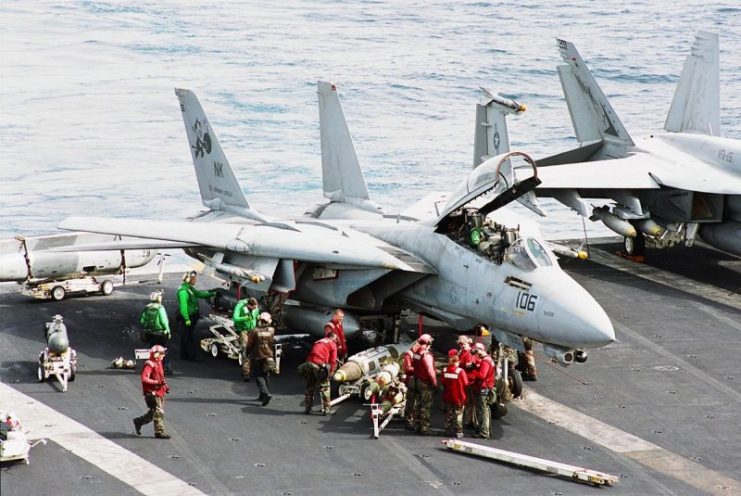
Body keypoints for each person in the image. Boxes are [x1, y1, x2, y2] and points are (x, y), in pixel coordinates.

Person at [176, 271, 216, 361]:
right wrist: (186, 318)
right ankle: (192, 355)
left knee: (186, 335)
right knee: (188, 336)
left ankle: (184, 355)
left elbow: (198, 294)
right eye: (193, 279)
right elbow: (183, 306)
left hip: (191, 316)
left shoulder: (189, 288)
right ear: (188, 279)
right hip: (188, 317)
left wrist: (211, 294)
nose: (195, 280)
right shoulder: (183, 291)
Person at [133, 345, 170, 439]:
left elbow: (161, 377)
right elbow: (144, 378)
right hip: (152, 392)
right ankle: (159, 432)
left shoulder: (159, 363)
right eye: (162, 353)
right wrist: (157, 383)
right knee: (158, 412)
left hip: (159, 391)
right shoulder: (150, 364)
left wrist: (165, 386)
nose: (163, 355)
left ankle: (139, 421)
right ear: (156, 354)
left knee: (153, 412)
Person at [298, 332, 339, 415]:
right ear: (332, 338)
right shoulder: (332, 344)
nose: (336, 341)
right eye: (336, 339)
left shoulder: (319, 342)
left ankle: (308, 408)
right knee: (325, 387)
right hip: (319, 365)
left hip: (309, 364)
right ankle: (326, 410)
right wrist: (331, 372)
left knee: (310, 385)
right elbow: (333, 361)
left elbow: (311, 354)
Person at [245, 312, 275, 406]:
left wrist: (247, 352)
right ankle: (262, 395)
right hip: (269, 355)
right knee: (266, 374)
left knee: (258, 375)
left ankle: (265, 393)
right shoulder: (272, 330)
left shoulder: (254, 331)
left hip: (257, 356)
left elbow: (249, 344)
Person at [139, 290, 172, 375]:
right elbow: (164, 321)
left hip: (150, 333)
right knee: (164, 350)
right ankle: (166, 368)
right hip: (160, 333)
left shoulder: (147, 307)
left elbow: (142, 320)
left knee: (152, 349)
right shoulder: (160, 308)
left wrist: (147, 327)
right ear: (158, 298)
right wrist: (168, 331)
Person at [412, 333, 438, 435]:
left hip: (417, 381)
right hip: (425, 383)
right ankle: (425, 428)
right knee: (425, 406)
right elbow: (430, 371)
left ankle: (417, 425)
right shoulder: (426, 355)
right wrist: (435, 383)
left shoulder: (416, 353)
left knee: (418, 404)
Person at [442, 349, 469, 439]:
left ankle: (447, 430)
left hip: (448, 396)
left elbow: (443, 382)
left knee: (449, 414)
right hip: (459, 397)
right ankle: (459, 432)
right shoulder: (460, 371)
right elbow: (466, 384)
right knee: (458, 415)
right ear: (457, 361)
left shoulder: (445, 370)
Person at [471, 342, 495, 439]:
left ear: (481, 350)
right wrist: (476, 366)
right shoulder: (488, 359)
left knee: (482, 410)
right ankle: (484, 430)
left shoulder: (485, 361)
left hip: (484, 387)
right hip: (486, 387)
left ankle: (484, 431)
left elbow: (482, 375)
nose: (476, 353)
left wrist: (474, 372)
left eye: (477, 351)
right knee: (484, 410)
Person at [233, 296, 260, 380]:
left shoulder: (255, 308)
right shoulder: (240, 306)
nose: (255, 308)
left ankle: (250, 369)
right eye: (254, 307)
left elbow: (256, 315)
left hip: (252, 330)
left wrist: (259, 317)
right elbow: (235, 318)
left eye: (256, 307)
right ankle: (246, 373)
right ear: (249, 305)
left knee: (255, 349)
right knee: (246, 350)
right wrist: (245, 318)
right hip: (243, 330)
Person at [457, 335, 476, 428]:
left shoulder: (468, 353)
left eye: (463, 343)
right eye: (460, 344)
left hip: (469, 380)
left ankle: (469, 421)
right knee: (468, 401)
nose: (462, 345)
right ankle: (469, 420)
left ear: (468, 342)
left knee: (469, 401)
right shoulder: (462, 352)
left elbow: (469, 367)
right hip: (465, 380)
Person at [401, 339, 419, 429]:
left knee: (415, 402)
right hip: (411, 380)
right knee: (411, 401)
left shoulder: (417, 354)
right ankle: (408, 421)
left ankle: (415, 420)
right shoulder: (409, 355)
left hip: (416, 380)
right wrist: (420, 369)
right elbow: (407, 368)